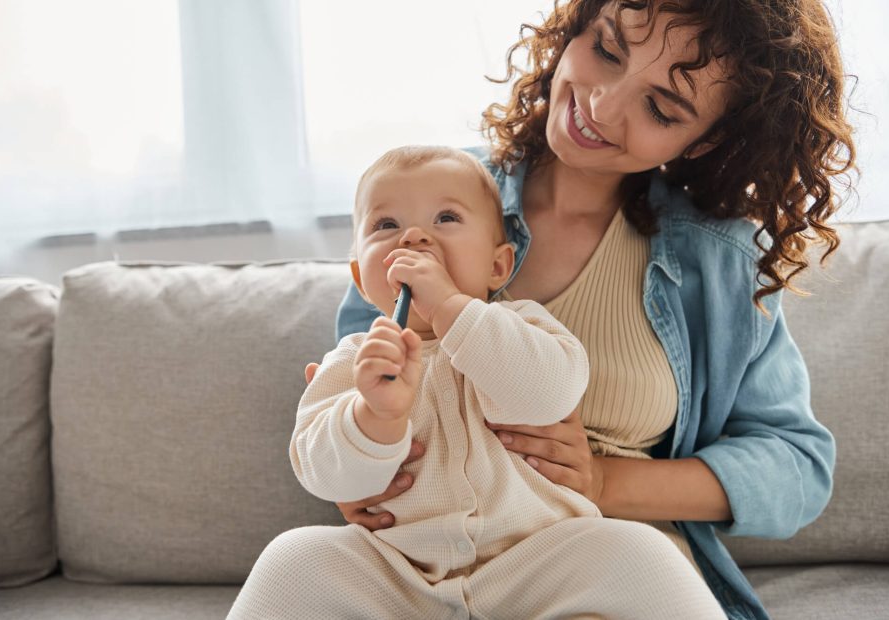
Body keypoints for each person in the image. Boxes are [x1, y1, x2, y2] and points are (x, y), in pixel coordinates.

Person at [238, 0, 854, 618]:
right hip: (413, 564)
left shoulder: (720, 260)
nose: (602, 104)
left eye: (661, 107)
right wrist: (356, 455)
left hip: (585, 567)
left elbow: (795, 468)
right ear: (575, 27)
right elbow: (346, 405)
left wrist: (606, 482)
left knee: (640, 560)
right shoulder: (419, 200)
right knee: (295, 560)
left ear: (708, 137)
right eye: (607, 50)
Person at [228, 145, 727, 619]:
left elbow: (549, 394)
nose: (414, 238)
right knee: (293, 557)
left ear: (498, 265)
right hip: (401, 569)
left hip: (538, 558)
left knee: (639, 551)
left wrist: (450, 308)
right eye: (386, 224)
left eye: (445, 218)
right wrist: (372, 417)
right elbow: (324, 475)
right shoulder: (353, 363)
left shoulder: (525, 327)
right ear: (361, 279)